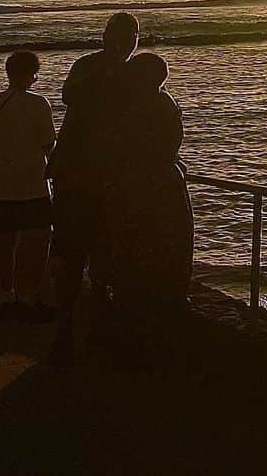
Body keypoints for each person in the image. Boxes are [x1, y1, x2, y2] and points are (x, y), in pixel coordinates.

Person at [49, 11, 139, 364]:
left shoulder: (99, 68)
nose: (129, 43)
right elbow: (70, 97)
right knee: (86, 257)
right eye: (126, 35)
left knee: (94, 258)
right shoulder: (93, 68)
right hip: (92, 179)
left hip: (91, 177)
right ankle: (72, 332)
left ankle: (83, 330)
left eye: (133, 36)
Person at [108, 52, 193, 354]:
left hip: (143, 186)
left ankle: (138, 333)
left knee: (141, 252)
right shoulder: (164, 104)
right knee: (170, 250)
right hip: (162, 182)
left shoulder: (135, 109)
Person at [0, 51, 56, 322]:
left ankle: (6, 295)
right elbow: (49, 145)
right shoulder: (39, 104)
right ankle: (30, 297)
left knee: (6, 242)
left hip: (1, 184)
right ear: (31, 74)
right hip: (33, 184)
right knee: (39, 240)